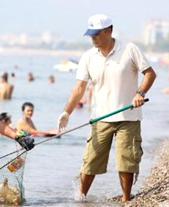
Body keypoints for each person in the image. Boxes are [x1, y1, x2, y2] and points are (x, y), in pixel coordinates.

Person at [57, 14, 156, 202]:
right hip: (100, 118)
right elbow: (79, 88)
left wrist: (140, 93)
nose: (93, 38)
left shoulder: (129, 49)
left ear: (109, 31)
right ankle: (81, 199)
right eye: (90, 34)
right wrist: (66, 112)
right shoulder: (88, 57)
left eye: (97, 34)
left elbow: (150, 74)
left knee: (126, 161)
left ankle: (126, 200)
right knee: (90, 162)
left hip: (129, 117)